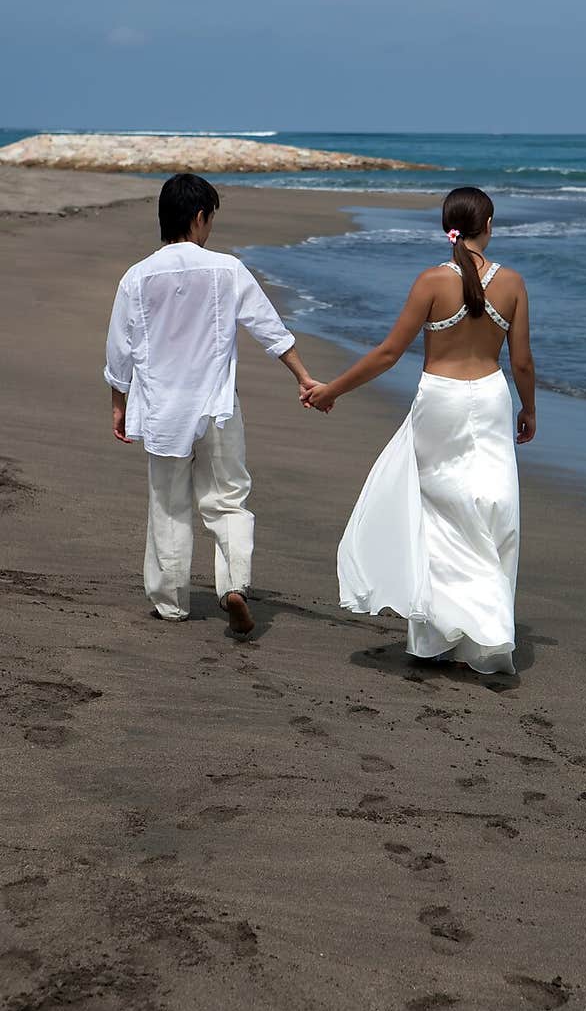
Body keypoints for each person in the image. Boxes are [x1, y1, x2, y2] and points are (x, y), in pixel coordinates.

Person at [305, 186, 536, 675]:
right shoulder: (513, 284)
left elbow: (389, 353)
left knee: (441, 512)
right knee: (495, 509)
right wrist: (529, 408)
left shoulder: (431, 281)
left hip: (441, 401)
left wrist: (333, 390)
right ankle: (486, 637)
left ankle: (435, 636)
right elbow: (522, 363)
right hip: (493, 399)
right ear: (489, 225)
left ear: (446, 226)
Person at [104, 172, 318, 635]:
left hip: (162, 410)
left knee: (168, 505)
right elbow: (269, 328)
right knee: (227, 501)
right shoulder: (227, 269)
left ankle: (170, 603)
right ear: (199, 218)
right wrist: (303, 377)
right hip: (217, 405)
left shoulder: (137, 278)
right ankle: (234, 585)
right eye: (210, 219)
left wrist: (119, 403)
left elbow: (119, 350)